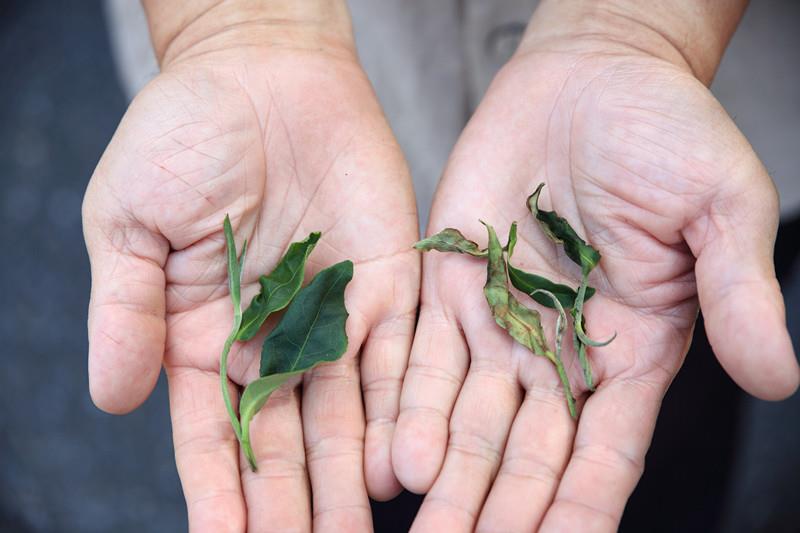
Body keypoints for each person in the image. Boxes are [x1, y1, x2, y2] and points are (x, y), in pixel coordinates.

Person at [82, 1, 800, 531]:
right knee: (375, 449)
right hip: (325, 131)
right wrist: (230, 26)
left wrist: (642, 29)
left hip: (647, 196)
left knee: (642, 431)